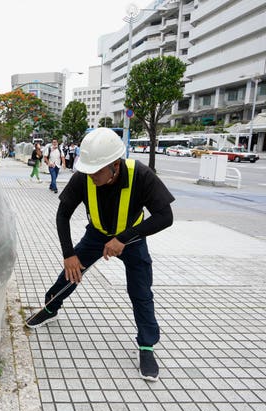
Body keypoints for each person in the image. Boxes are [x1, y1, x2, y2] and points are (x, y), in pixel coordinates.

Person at [25, 128, 175, 382]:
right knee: (70, 274)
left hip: (132, 238)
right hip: (97, 234)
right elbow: (63, 214)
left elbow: (166, 217)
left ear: (115, 165)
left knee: (140, 290)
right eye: (88, 170)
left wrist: (124, 239)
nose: (91, 176)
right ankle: (51, 307)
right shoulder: (84, 176)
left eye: (97, 171)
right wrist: (69, 254)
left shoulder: (140, 175)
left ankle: (147, 345)